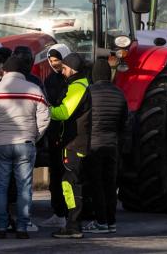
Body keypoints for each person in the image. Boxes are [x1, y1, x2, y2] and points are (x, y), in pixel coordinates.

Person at [0, 56, 50, 240]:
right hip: (25, 144)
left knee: (0, 187)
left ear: (6, 71)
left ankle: (1, 227)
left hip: (0, 144)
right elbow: (45, 117)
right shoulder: (35, 90)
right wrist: (34, 136)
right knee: (24, 187)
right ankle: (22, 228)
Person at [82, 59, 128, 234]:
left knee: (96, 185)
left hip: (93, 145)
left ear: (94, 74)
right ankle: (111, 222)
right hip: (112, 145)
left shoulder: (90, 92)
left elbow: (84, 119)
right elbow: (124, 122)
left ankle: (100, 222)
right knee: (110, 185)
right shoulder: (119, 93)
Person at [49, 53, 91, 239]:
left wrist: (44, 108)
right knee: (71, 183)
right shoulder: (80, 84)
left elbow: (64, 112)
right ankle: (73, 223)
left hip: (74, 143)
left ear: (72, 68)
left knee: (70, 183)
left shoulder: (77, 86)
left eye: (64, 68)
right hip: (76, 141)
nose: (62, 72)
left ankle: (73, 225)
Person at [40, 44, 71, 229]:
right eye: (51, 61)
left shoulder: (73, 79)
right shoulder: (51, 80)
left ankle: (69, 213)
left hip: (69, 133)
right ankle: (58, 212)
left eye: (57, 60)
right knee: (56, 175)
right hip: (54, 133)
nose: (54, 64)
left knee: (69, 176)